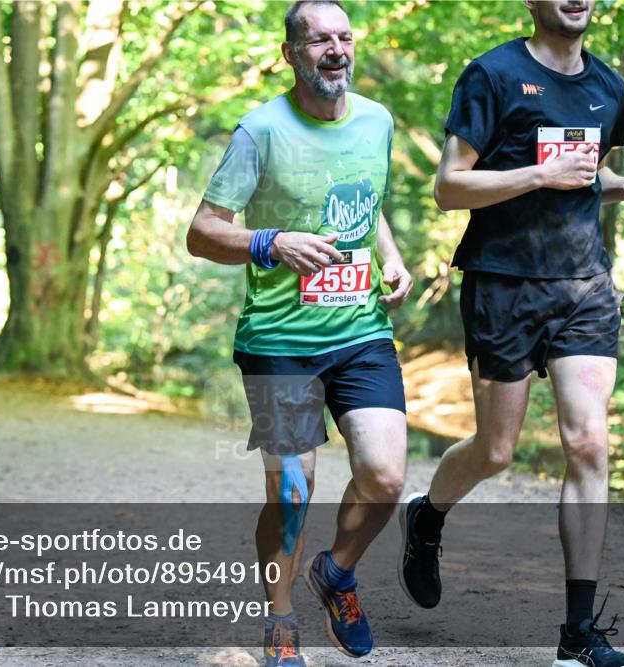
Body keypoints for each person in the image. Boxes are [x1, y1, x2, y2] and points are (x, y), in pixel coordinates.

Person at [398, 2, 624, 667]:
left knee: (589, 440)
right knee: (496, 450)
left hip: (582, 287)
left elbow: (586, 171)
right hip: (503, 282)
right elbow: (450, 187)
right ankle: (425, 517)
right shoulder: (493, 74)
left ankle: (578, 634)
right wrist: (538, 174)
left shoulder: (607, 88)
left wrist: (622, 183)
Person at [187, 2, 414, 664]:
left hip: (360, 330)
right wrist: (270, 241)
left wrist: (391, 256)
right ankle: (280, 622)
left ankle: (336, 572)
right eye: (318, 40)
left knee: (385, 475)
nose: (335, 49)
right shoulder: (258, 131)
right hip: (279, 339)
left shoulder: (377, 121)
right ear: (291, 54)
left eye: (343, 37)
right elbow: (202, 230)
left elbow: (364, 203)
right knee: (291, 490)